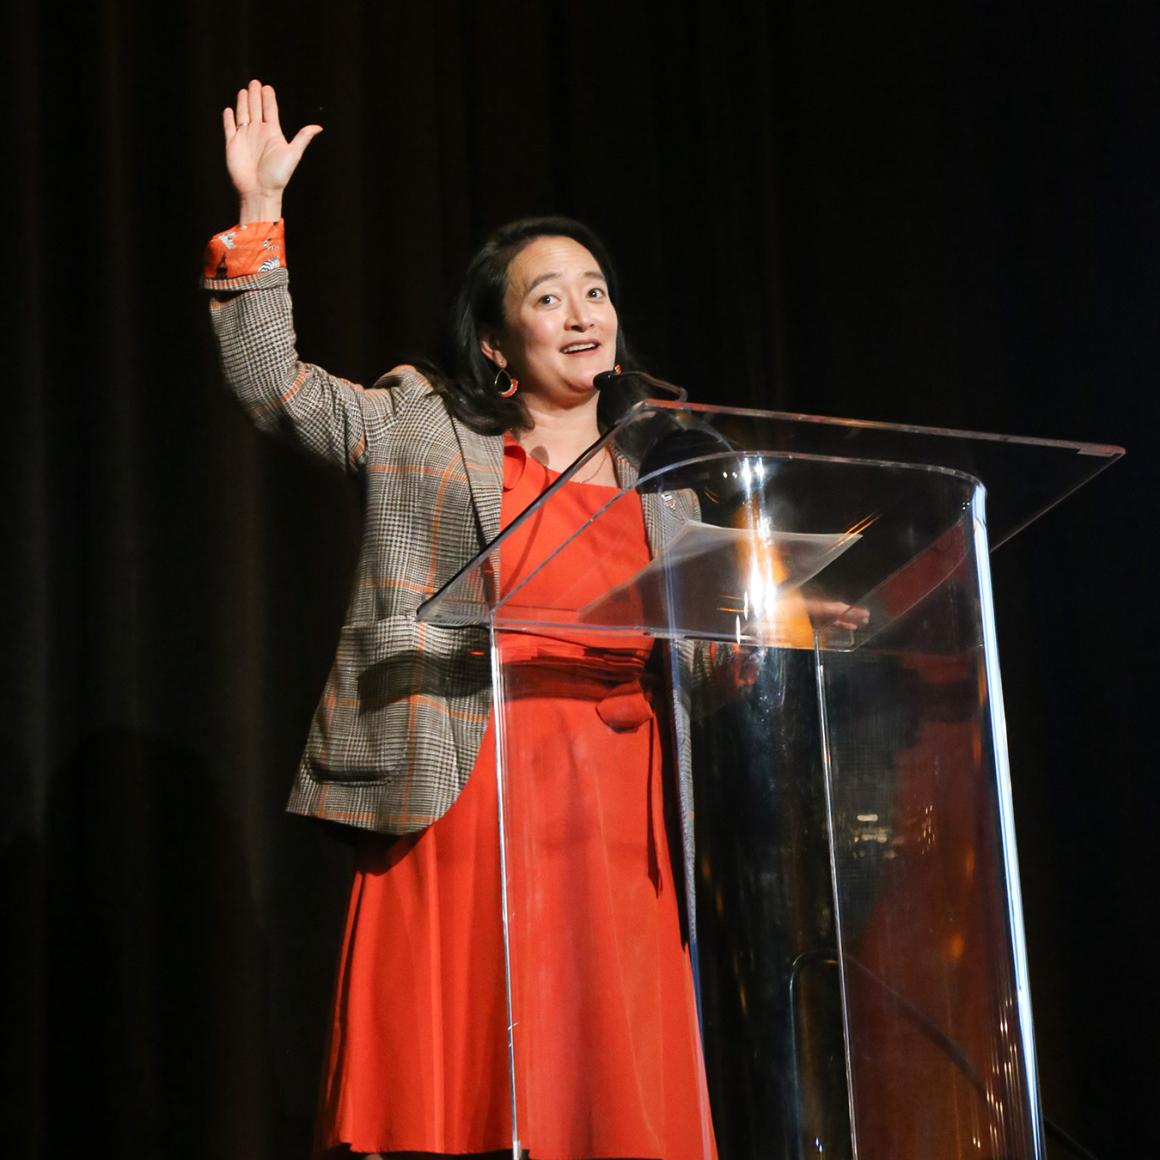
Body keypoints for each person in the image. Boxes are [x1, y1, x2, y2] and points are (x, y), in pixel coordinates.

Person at [205, 81, 715, 1159]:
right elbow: (273, 389)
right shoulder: (424, 424)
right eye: (547, 299)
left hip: (613, 815)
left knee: (606, 1089)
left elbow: (705, 636)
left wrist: (762, 640)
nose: (582, 315)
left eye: (594, 292)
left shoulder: (664, 473)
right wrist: (259, 214)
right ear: (493, 339)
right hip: (461, 791)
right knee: (452, 1096)